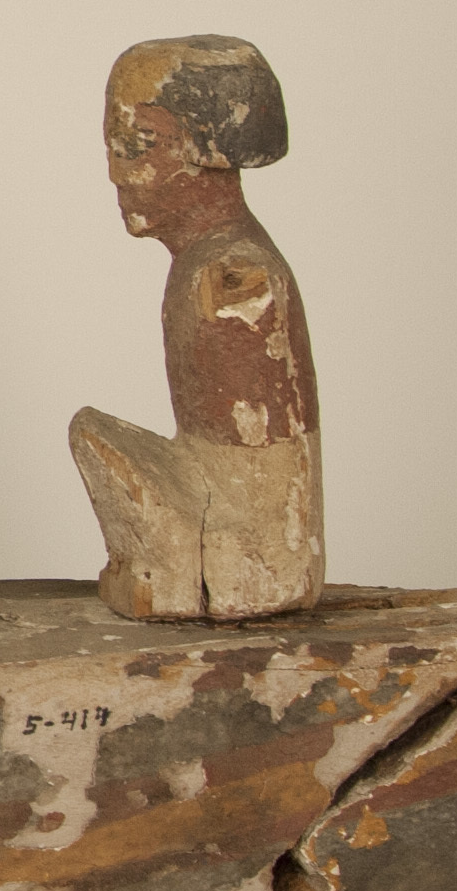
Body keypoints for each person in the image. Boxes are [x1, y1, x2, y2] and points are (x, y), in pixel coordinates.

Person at [67, 38, 325, 620]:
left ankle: (193, 580)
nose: (115, 173)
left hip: (252, 554)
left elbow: (257, 483)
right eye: (112, 147)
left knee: (89, 431)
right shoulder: (210, 264)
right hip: (234, 527)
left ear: (209, 150)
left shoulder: (232, 277)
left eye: (136, 146)